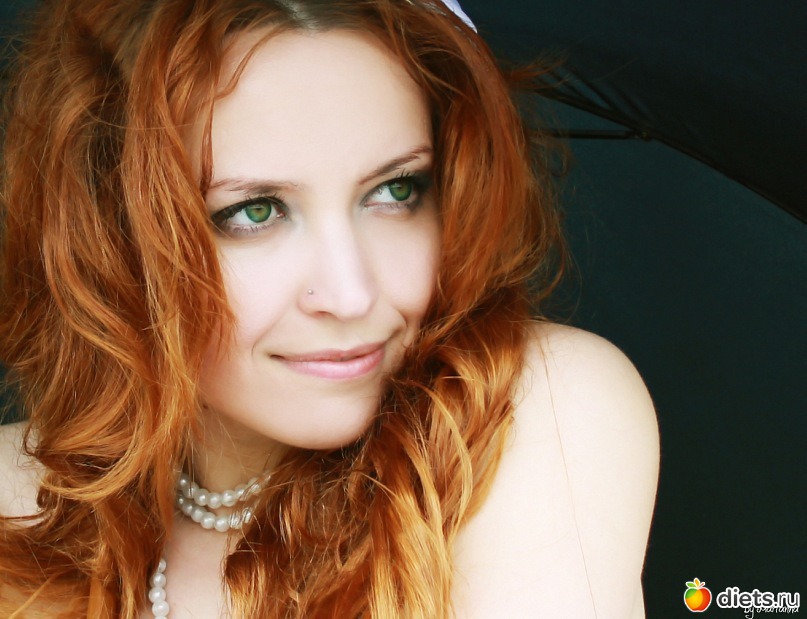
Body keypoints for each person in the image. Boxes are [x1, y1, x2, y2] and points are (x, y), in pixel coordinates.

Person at [0, 0, 659, 616]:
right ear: (105, 238)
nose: (351, 295)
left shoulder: (532, 412)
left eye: (395, 190)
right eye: (254, 211)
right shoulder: (17, 496)